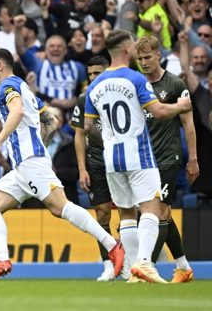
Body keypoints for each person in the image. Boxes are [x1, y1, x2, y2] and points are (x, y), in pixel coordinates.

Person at [0, 48, 124, 282]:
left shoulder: (7, 87)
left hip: (31, 162)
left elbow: (16, 112)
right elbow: (51, 121)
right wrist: (38, 142)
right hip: (24, 166)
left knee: (60, 207)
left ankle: (112, 245)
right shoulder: (24, 87)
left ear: (0, 66)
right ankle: (1, 260)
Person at [84, 30, 191, 283]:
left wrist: (110, 136)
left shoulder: (94, 85)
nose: (136, 49)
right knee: (151, 208)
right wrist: (181, 106)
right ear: (125, 49)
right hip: (138, 154)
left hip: (111, 158)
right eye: (133, 45)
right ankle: (144, 263)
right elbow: (159, 110)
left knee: (127, 214)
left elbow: (88, 127)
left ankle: (131, 270)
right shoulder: (135, 78)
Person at [135, 36, 198, 283]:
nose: (143, 62)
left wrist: (192, 158)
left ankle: (145, 267)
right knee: (164, 214)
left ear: (158, 55)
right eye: (139, 59)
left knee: (159, 211)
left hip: (167, 158)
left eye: (148, 57)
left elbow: (188, 123)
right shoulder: (137, 85)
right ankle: (183, 267)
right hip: (143, 161)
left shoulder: (174, 84)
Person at [69, 54, 116, 281]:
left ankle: (134, 261)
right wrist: (82, 169)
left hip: (122, 160)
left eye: (97, 73)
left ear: (108, 71)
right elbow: (78, 136)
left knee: (132, 213)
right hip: (97, 162)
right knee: (102, 214)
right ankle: (108, 265)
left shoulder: (120, 94)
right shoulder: (83, 98)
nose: (93, 78)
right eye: (89, 75)